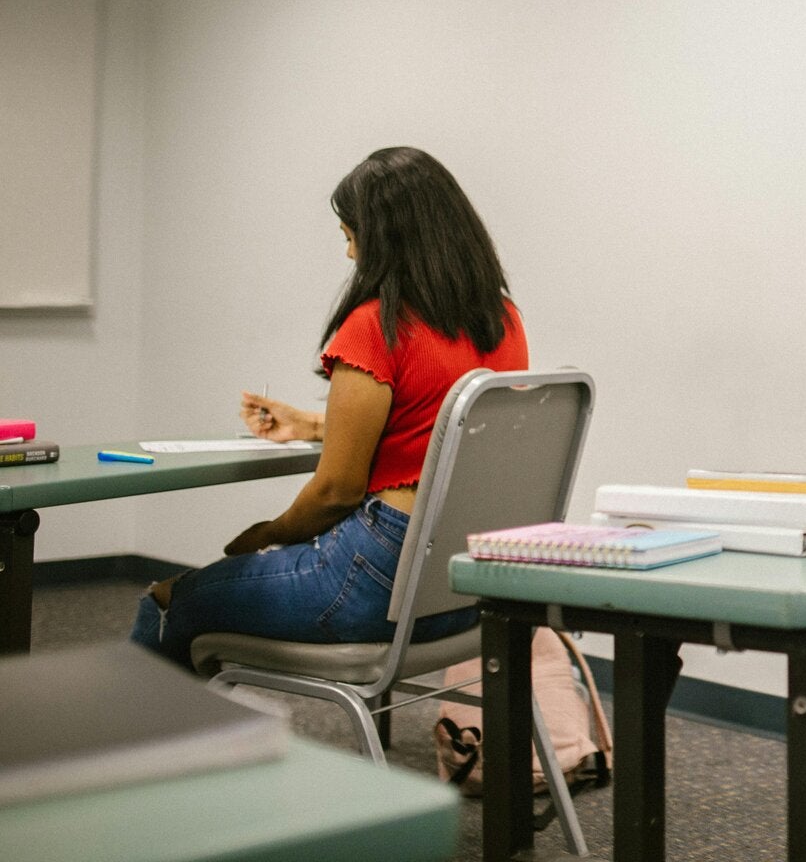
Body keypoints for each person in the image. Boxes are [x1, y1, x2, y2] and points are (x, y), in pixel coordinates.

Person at [129, 146, 528, 670]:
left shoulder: (376, 326)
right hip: (470, 587)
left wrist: (269, 534)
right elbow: (434, 429)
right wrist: (314, 425)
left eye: (351, 237)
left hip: (378, 582)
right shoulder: (504, 321)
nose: (350, 254)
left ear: (385, 240)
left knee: (169, 599)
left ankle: (155, 724)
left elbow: (337, 489)